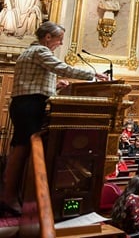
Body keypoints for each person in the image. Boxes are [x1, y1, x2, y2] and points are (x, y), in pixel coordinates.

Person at [0, 22, 107, 216]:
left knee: (21, 148)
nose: (61, 43)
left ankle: (11, 193)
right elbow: (61, 67)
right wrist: (93, 75)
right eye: (59, 39)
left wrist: (54, 86)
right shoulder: (40, 51)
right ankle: (8, 196)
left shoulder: (30, 52)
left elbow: (32, 81)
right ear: (48, 37)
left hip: (26, 103)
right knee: (22, 148)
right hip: (29, 105)